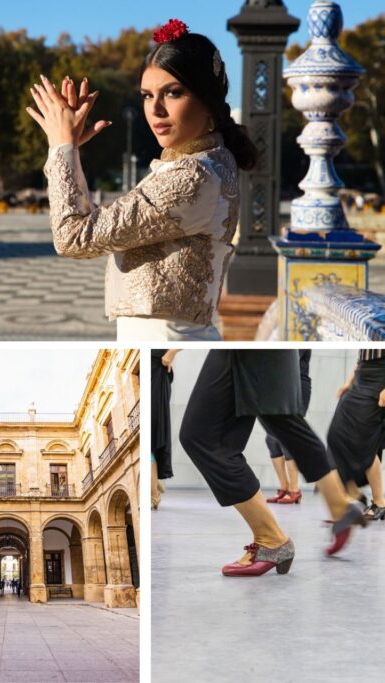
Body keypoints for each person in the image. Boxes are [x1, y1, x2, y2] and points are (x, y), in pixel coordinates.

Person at [26, 19, 256, 341]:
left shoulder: (193, 176)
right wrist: (69, 150)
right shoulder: (207, 162)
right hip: (163, 345)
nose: (156, 110)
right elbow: (91, 225)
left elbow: (73, 236)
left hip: (166, 346)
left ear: (208, 101)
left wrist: (61, 145)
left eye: (173, 93)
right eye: (147, 96)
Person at [179, 350, 365, 576]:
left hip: (250, 344)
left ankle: (271, 538)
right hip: (250, 347)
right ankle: (338, 505)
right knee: (281, 420)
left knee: (204, 436)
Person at [327, 349, 385, 520]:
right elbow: (362, 356)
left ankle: (379, 502)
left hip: (379, 378)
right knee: (336, 434)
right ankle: (353, 492)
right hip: (361, 376)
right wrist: (349, 380)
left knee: (365, 442)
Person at [266, 350, 312, 505]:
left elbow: (284, 359)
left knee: (286, 436)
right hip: (278, 388)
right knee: (271, 439)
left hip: (296, 388)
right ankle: (284, 487)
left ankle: (294, 489)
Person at [152, 349, 178, 509]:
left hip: (157, 372)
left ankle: (153, 491)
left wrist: (171, 353)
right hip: (154, 368)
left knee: (152, 433)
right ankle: (153, 484)